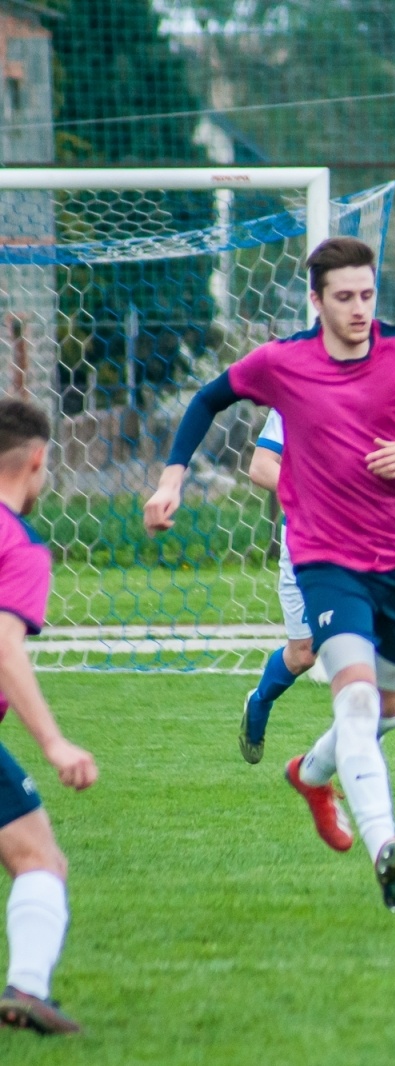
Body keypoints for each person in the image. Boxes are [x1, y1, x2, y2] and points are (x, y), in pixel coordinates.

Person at [142, 237, 395, 911]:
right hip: (325, 559)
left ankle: (311, 773)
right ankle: (387, 849)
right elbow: (208, 401)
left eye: (367, 295)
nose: (359, 309)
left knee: (386, 714)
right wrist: (171, 476)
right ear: (318, 300)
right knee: (351, 698)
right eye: (345, 297)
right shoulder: (284, 364)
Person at [0, 399, 97, 1035]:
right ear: (38, 459)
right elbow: (3, 645)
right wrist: (55, 742)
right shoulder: (20, 546)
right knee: (40, 859)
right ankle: (27, 988)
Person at [237, 409, 319, 764]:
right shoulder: (295, 390)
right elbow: (261, 465)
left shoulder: (375, 385)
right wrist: (317, 489)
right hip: (305, 539)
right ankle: (259, 701)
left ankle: (348, 763)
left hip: (360, 540)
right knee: (304, 654)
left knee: (362, 649)